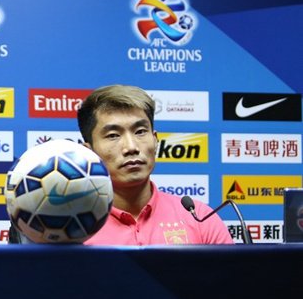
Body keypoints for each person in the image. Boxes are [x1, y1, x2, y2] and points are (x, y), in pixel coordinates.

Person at [77, 84, 232, 245]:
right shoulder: (72, 228)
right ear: (88, 151)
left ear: (155, 140)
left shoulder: (200, 218)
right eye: (113, 135)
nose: (131, 147)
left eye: (140, 132)